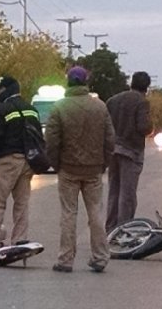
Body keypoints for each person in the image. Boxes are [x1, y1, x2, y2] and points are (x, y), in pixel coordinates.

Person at [46, 66, 115, 273]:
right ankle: (100, 256)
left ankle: (65, 259)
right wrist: (103, 163)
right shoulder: (100, 107)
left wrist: (56, 163)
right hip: (93, 169)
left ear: (68, 81)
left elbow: (51, 141)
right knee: (95, 213)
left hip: (68, 169)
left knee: (69, 213)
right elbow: (110, 139)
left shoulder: (59, 107)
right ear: (86, 82)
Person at [0, 75, 42, 250]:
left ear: (7, 89)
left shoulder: (2, 110)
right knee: (22, 203)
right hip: (27, 161)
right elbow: (38, 136)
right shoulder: (31, 109)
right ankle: (20, 239)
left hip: (8, 160)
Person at [105, 71, 153, 232]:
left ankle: (110, 227)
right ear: (146, 87)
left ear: (131, 83)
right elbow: (143, 127)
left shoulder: (113, 100)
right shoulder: (142, 102)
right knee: (128, 194)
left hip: (113, 150)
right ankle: (124, 228)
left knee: (114, 191)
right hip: (131, 151)